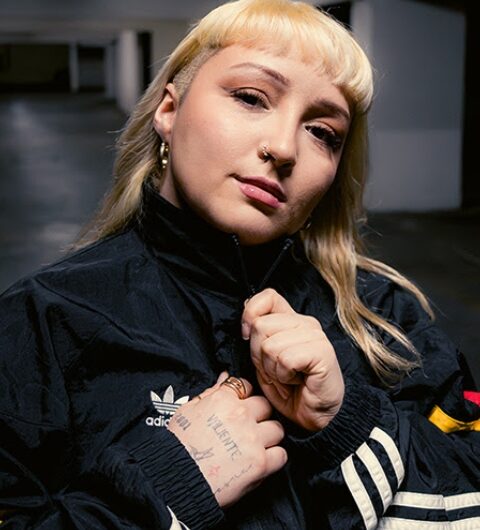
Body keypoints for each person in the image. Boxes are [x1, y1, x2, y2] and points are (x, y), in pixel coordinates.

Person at [0, 0, 478, 528]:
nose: (283, 147)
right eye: (251, 98)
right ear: (169, 111)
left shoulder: (383, 317)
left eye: (322, 133)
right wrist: (165, 485)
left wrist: (345, 422)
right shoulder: (44, 320)